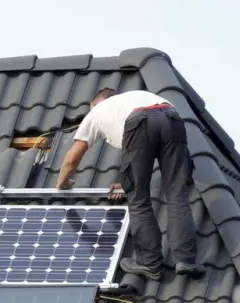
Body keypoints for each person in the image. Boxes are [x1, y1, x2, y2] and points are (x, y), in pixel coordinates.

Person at [56, 88, 202, 279]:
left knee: (138, 199)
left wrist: (62, 183)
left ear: (97, 104)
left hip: (139, 122)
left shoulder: (97, 112)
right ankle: (185, 260)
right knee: (177, 194)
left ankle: (149, 263)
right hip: (173, 118)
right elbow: (150, 148)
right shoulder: (135, 97)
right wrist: (125, 182)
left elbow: (72, 159)